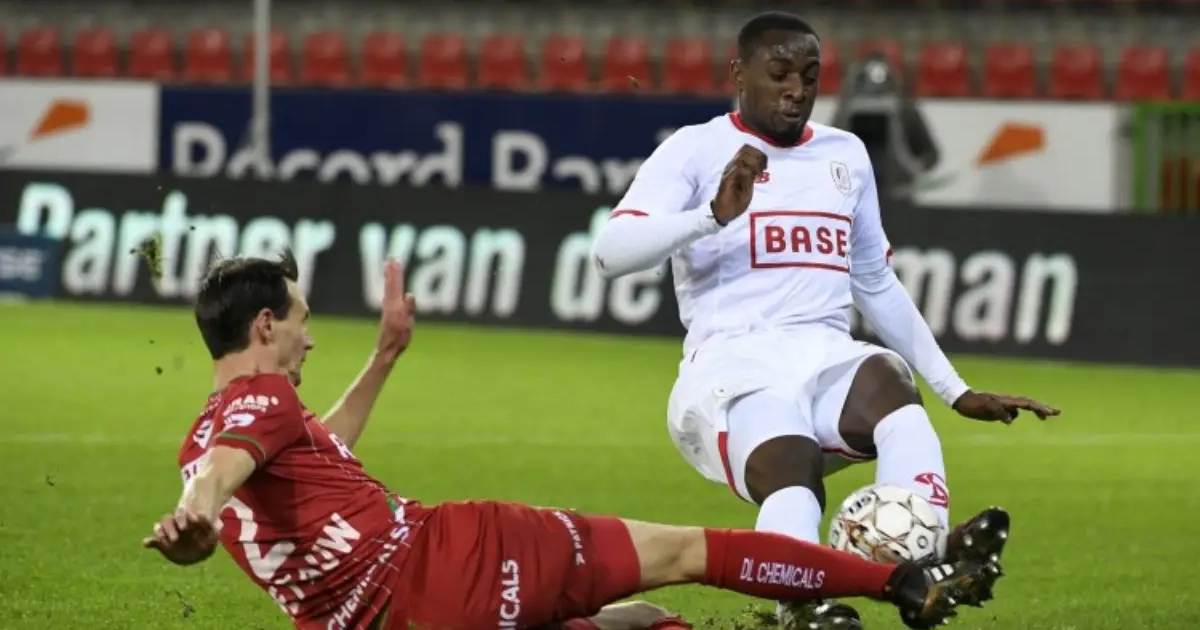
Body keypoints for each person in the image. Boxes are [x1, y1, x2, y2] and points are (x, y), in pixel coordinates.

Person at [143, 252, 1003, 630]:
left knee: (636, 624)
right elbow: (221, 477)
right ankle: (902, 580)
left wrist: (386, 357)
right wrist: (195, 517)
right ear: (265, 325)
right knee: (686, 553)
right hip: (452, 559)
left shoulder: (221, 428)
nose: (309, 335)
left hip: (391, 620)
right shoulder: (253, 415)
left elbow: (303, 454)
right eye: (299, 319)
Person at [589, 10, 1060, 630]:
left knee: (892, 388)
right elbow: (610, 254)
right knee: (794, 473)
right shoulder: (696, 148)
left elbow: (875, 282)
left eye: (809, 76)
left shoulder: (846, 155)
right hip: (733, 366)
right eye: (779, 73)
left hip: (824, 353)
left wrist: (956, 389)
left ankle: (925, 564)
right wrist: (711, 216)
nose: (796, 89)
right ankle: (798, 603)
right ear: (739, 74)